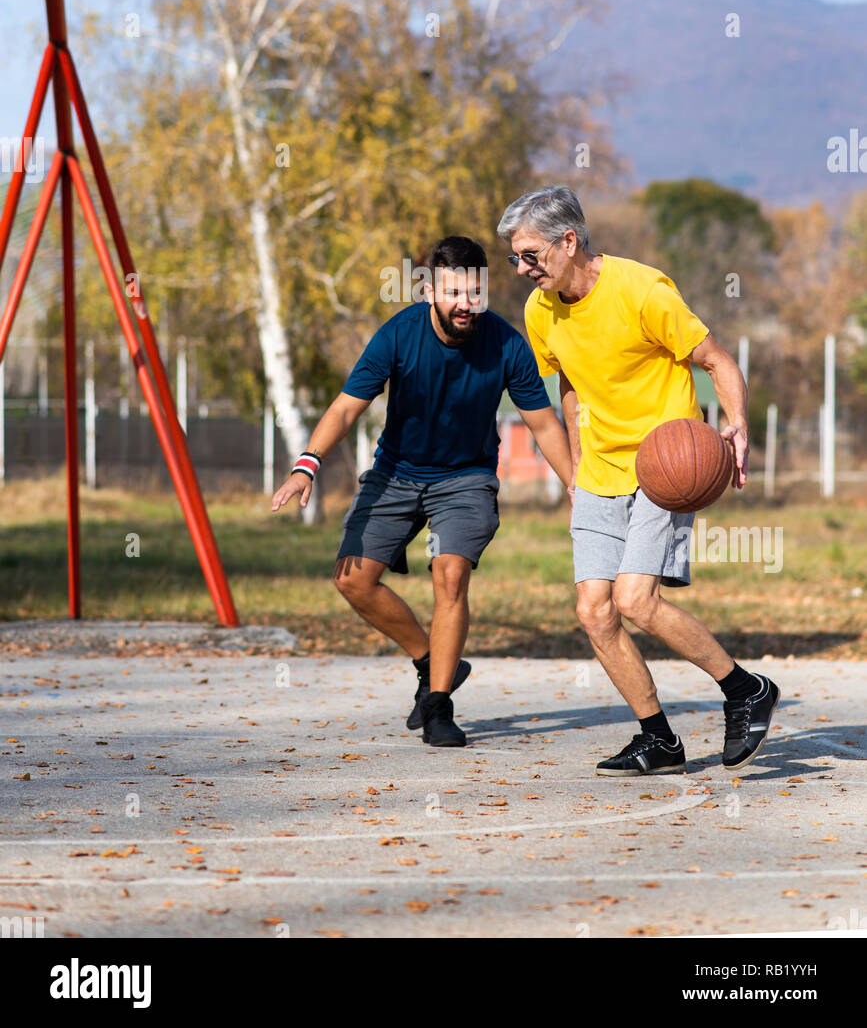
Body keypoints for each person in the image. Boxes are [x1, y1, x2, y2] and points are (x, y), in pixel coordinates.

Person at [497, 186, 781, 774]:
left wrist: (738, 427)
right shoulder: (539, 311)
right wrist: (576, 468)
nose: (522, 269)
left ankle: (745, 689)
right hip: (600, 469)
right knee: (594, 612)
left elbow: (717, 362)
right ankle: (659, 738)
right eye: (514, 258)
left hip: (665, 465)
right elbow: (569, 384)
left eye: (530, 255)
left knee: (635, 600)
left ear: (568, 241)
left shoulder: (642, 291)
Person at [272, 235, 574, 748]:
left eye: (473, 293)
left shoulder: (505, 343)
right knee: (353, 580)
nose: (464, 304)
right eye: (453, 292)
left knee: (450, 574)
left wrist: (576, 485)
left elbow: (543, 424)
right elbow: (348, 407)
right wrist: (307, 464)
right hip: (397, 471)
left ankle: (437, 706)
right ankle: (434, 660)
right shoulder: (398, 336)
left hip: (466, 477)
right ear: (431, 290)